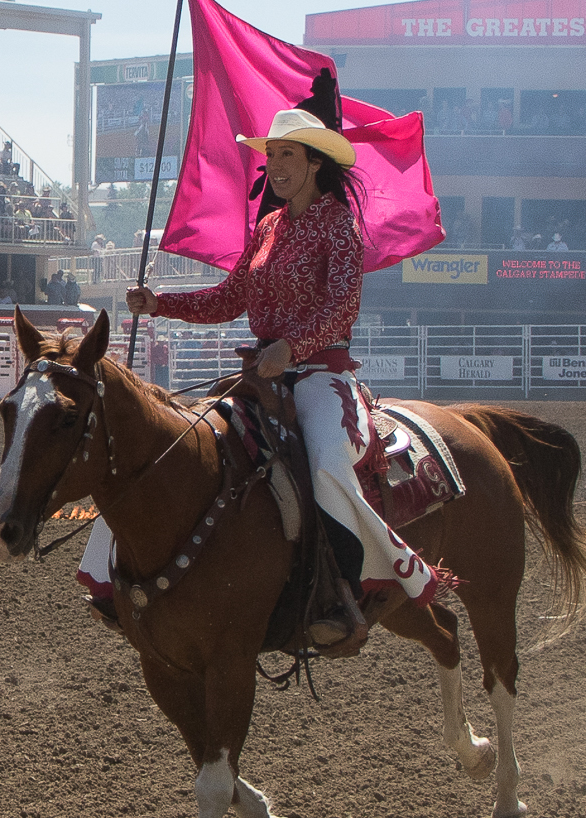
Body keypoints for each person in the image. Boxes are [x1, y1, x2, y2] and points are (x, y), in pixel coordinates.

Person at [103, 70, 438, 650]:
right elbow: (229, 298)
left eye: (288, 155)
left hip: (318, 377)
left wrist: (292, 348)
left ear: (314, 162)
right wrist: (161, 303)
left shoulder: (339, 226)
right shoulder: (267, 228)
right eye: (272, 154)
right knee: (173, 448)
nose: (276, 165)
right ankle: (115, 581)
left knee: (329, 464)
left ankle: (350, 587)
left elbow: (341, 309)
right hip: (260, 374)